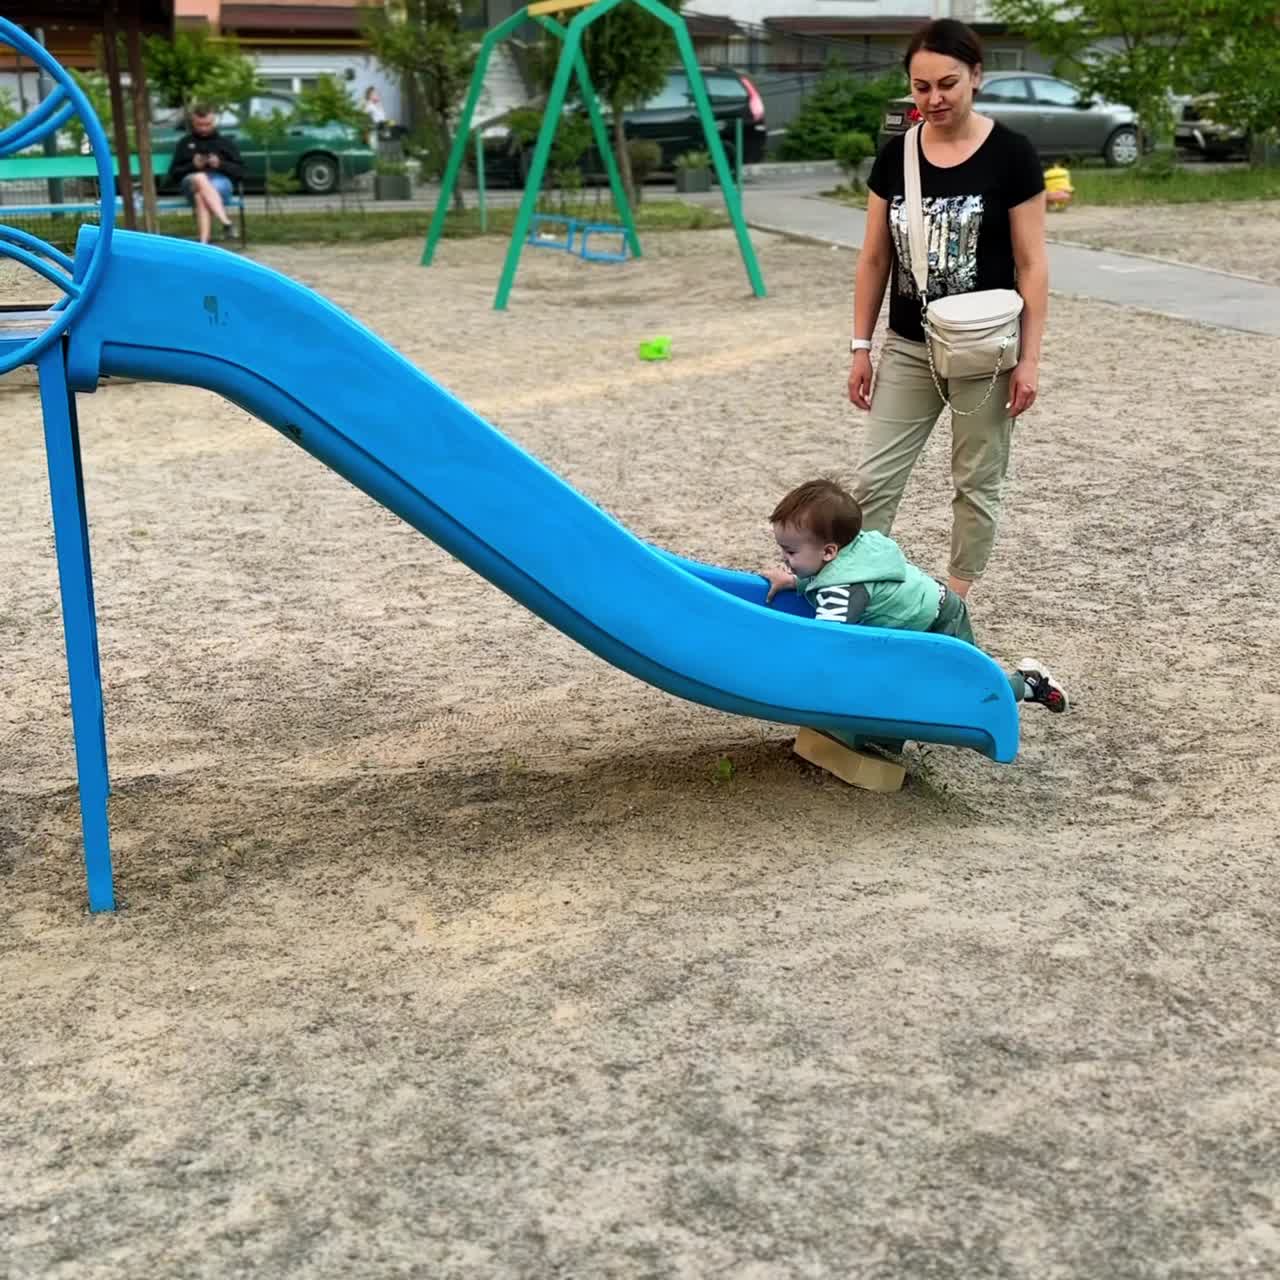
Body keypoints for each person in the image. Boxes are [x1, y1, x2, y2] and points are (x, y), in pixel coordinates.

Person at [848, 19, 1049, 602]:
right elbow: (873, 258)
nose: (934, 98)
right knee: (874, 480)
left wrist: (1030, 359)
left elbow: (1032, 264)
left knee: (976, 481)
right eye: (921, 87)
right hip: (909, 345)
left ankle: (953, 602)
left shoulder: (1012, 154)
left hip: (986, 350)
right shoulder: (896, 156)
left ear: (976, 77)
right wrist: (860, 348)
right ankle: (853, 588)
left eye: (947, 84)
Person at [760, 479, 1068, 713]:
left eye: (790, 552)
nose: (785, 557)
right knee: (912, 681)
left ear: (830, 551)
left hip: (939, 619)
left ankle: (1028, 683)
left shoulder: (844, 589)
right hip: (930, 607)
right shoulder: (848, 550)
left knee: (967, 685)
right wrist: (795, 581)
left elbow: (827, 641)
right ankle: (884, 735)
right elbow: (824, 575)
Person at [169, 105, 243, 245]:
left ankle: (204, 243)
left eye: (207, 124)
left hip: (220, 186)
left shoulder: (225, 143)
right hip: (190, 184)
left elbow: (240, 172)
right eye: (199, 125)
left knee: (200, 196)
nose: (203, 128)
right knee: (199, 177)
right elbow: (173, 174)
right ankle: (226, 221)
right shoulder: (185, 143)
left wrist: (220, 164)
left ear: (213, 121)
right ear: (193, 122)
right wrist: (193, 166)